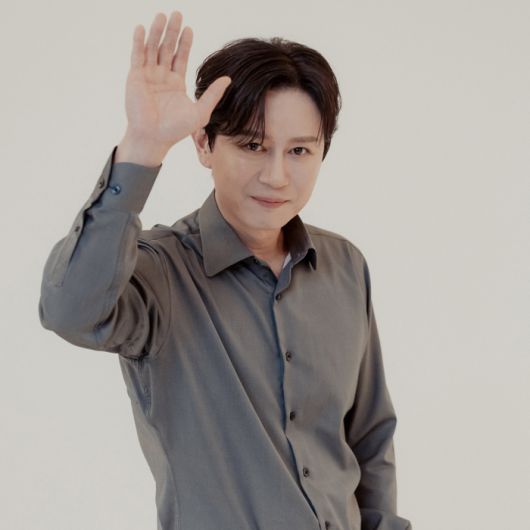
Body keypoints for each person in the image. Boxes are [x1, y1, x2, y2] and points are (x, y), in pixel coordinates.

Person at [38, 10, 412, 530]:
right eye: (253, 146)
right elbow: (69, 310)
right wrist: (142, 147)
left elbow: (369, 438)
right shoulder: (159, 272)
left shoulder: (345, 266)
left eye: (299, 150)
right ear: (204, 144)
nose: (276, 175)